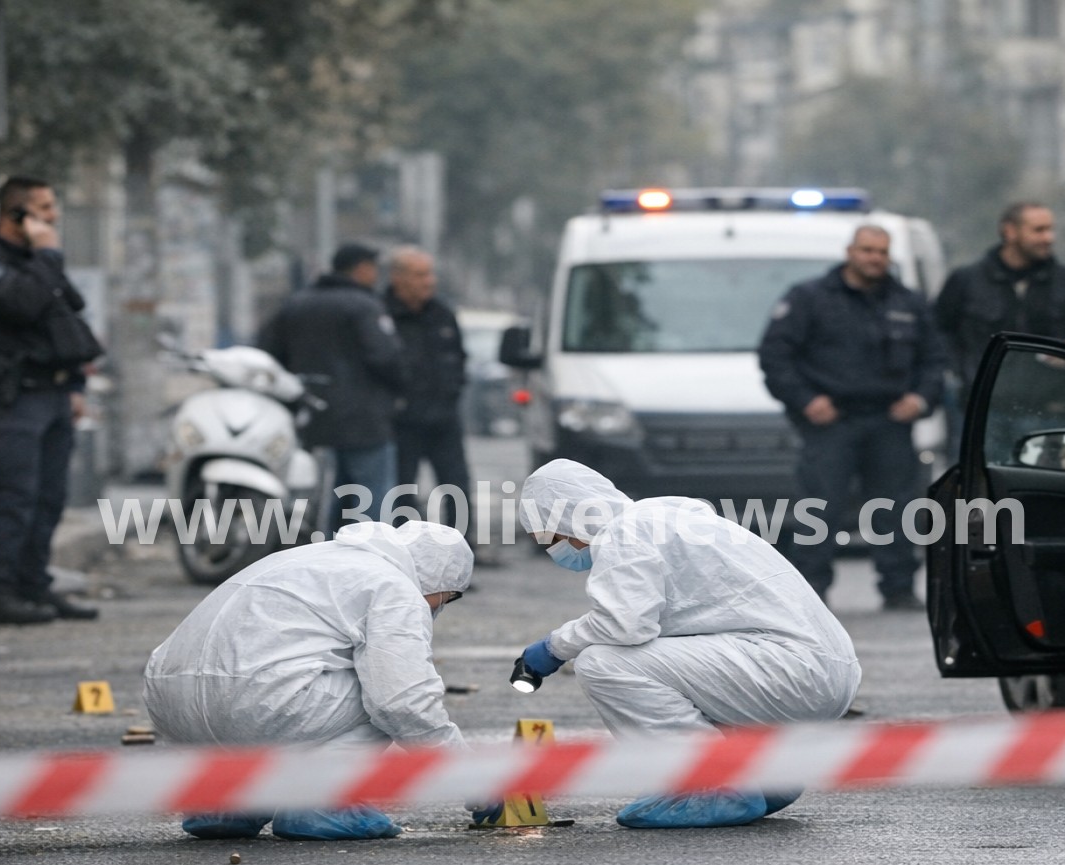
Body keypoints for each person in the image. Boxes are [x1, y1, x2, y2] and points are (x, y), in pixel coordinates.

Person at [514, 459, 860, 829]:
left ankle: (711, 784)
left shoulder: (626, 531)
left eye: (552, 539)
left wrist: (554, 647)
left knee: (604, 663)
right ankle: (765, 776)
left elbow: (622, 624)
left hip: (788, 671)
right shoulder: (675, 521)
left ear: (570, 520)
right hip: (820, 673)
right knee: (664, 664)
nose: (557, 552)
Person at [144, 520, 477, 840]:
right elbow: (404, 702)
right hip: (256, 703)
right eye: (447, 598)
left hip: (170, 701)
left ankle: (227, 802)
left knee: (323, 674)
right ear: (438, 581)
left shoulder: (308, 557)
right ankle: (318, 802)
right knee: (384, 687)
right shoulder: (395, 586)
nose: (439, 608)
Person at [758, 225, 945, 610]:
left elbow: (935, 360)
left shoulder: (907, 303)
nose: (875, 258)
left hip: (889, 420)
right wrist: (806, 400)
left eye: (881, 252)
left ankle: (899, 587)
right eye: (867, 250)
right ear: (849, 251)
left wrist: (920, 399)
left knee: (895, 508)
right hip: (831, 421)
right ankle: (810, 590)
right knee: (819, 507)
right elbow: (775, 356)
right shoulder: (810, 298)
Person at [0, 175, 101, 626]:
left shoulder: (35, 260)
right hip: (11, 397)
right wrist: (49, 254)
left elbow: (65, 314)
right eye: (45, 208)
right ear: (16, 214)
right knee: (13, 497)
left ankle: (33, 586)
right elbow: (23, 306)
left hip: (53, 393)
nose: (54, 216)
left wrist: (75, 385)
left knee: (49, 497)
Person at [259, 243, 405, 526]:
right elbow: (386, 357)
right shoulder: (365, 305)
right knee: (371, 498)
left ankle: (325, 556)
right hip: (365, 421)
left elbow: (269, 353)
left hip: (313, 418)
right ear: (362, 269)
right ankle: (370, 560)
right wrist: (398, 392)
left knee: (327, 497)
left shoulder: (296, 304)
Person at [934, 201, 1065, 457]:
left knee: (1051, 494)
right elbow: (939, 333)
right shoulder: (966, 281)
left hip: (1052, 415)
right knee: (981, 494)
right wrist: (962, 376)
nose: (1048, 238)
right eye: (1038, 230)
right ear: (1009, 232)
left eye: (1050, 229)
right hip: (985, 414)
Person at [385, 246, 471, 531]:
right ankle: (406, 554)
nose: (429, 281)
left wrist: (452, 391)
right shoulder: (381, 314)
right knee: (401, 492)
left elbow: (458, 358)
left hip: (443, 418)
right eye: (420, 275)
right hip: (401, 421)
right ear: (398, 278)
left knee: (457, 489)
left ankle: (462, 553)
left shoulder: (441, 313)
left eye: (430, 274)